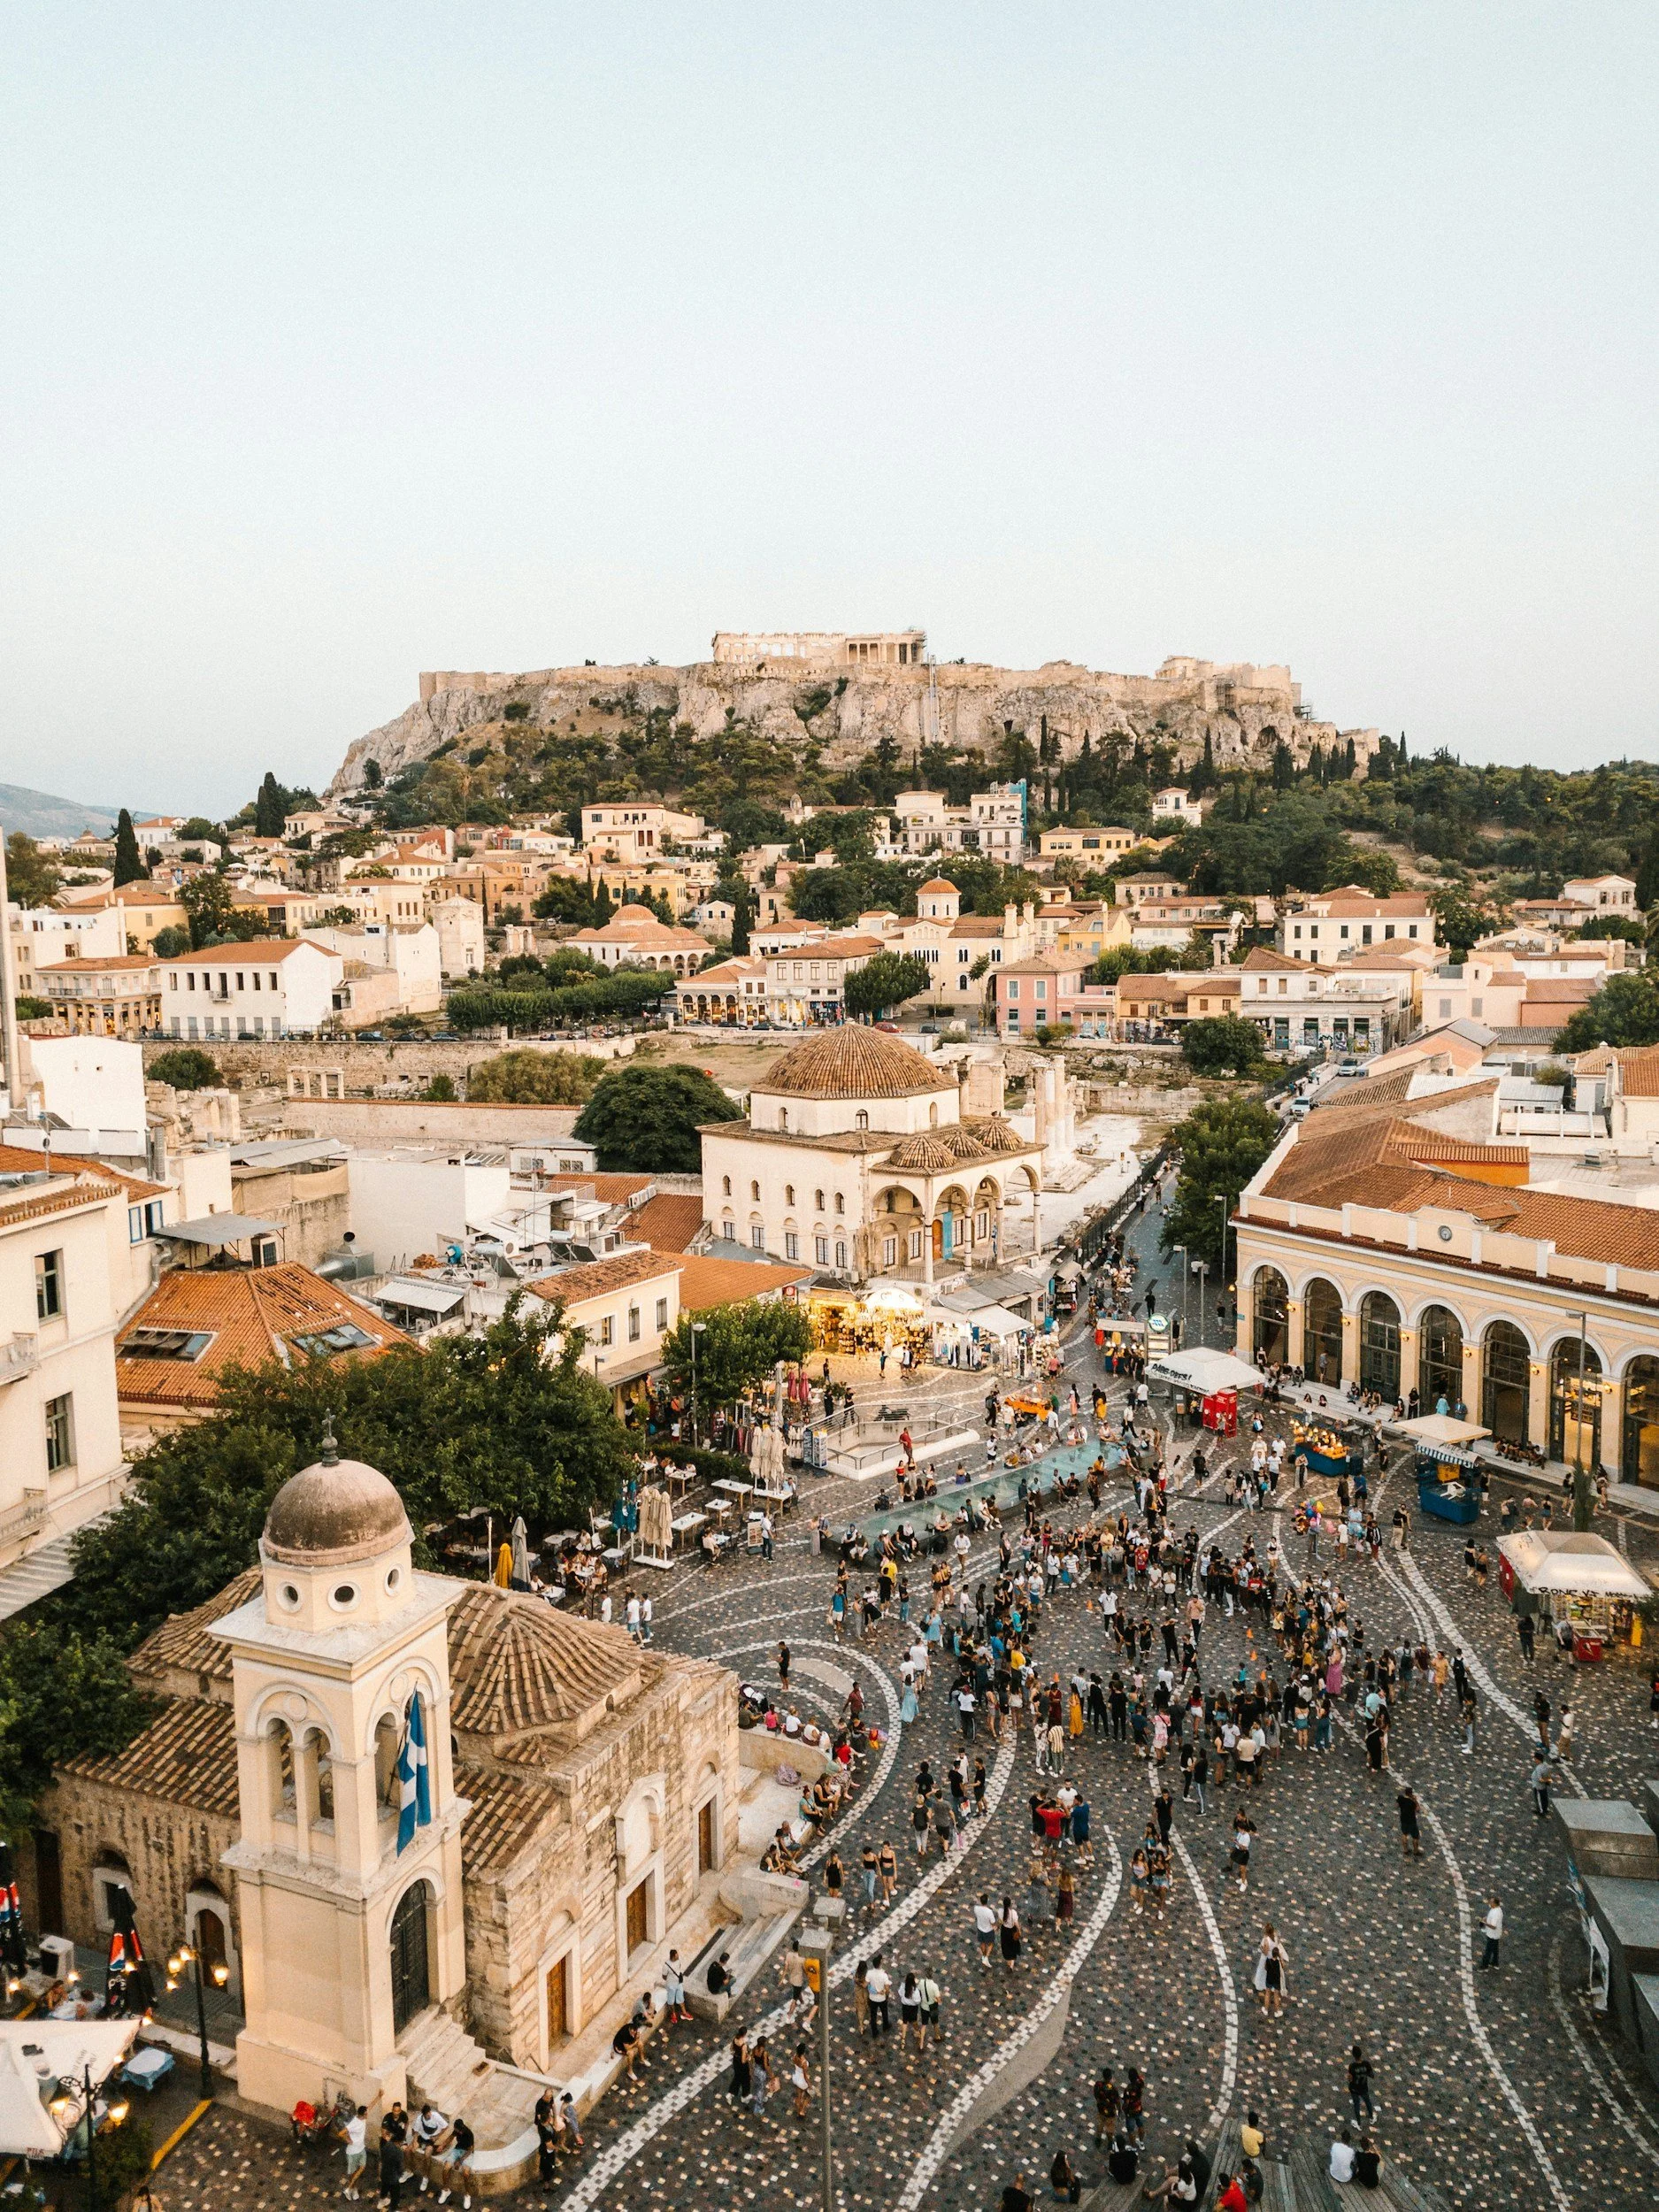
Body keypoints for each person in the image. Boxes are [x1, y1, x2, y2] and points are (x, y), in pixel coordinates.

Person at [434, 2116, 473, 2208]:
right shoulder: (456, 2130)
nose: (458, 2132)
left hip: (466, 2153)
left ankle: (467, 2195)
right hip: (457, 2150)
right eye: (457, 2130)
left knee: (466, 2173)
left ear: (462, 2128)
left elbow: (470, 2150)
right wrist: (442, 2145)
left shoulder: (469, 2134)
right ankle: (446, 2190)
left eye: (459, 2131)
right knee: (445, 2168)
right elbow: (450, 2138)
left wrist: (459, 2161)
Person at [342, 2105, 368, 2200]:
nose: (367, 2115)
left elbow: (370, 2105)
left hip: (361, 2149)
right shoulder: (354, 2123)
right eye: (366, 2113)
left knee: (362, 2167)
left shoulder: (363, 2118)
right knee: (353, 2173)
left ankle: (349, 2189)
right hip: (353, 2152)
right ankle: (352, 2189)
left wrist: (379, 2096)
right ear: (363, 2114)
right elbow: (341, 2133)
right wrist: (348, 2140)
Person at [1348, 2041, 1374, 2124]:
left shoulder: (1352, 2066)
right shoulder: (1366, 2064)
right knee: (1368, 2102)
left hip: (1354, 2089)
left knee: (1357, 2105)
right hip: (1364, 2088)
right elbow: (1372, 2075)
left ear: (1353, 2055)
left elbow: (1350, 2079)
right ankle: (1371, 2118)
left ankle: (1359, 2123)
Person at [1396, 1782, 1422, 1858]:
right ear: (1411, 1793)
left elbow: (1397, 1805)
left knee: (1404, 1834)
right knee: (1415, 1837)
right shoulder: (1412, 1802)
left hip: (1403, 1820)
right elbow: (1418, 1810)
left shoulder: (1400, 1798)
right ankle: (1416, 1851)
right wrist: (1415, 1800)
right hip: (1412, 1821)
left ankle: (1405, 1850)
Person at [1480, 1896, 1503, 1969]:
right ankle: (1495, 1963)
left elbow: (1493, 1926)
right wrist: (1486, 1918)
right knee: (1495, 1949)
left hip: (1492, 1935)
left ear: (1495, 1903)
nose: (1490, 1903)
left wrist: (1484, 1923)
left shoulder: (1496, 1913)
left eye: (1491, 1902)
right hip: (1496, 1934)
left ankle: (1484, 1966)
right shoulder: (1496, 1909)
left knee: (1488, 1951)